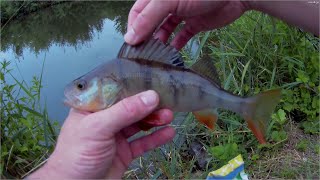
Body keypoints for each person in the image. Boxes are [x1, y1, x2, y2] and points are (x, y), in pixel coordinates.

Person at [30, 0, 318, 179]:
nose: (76, 92)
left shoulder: (121, 71)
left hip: (197, 85)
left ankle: (248, 107)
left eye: (82, 86)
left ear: (111, 85)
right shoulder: (119, 68)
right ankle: (247, 107)